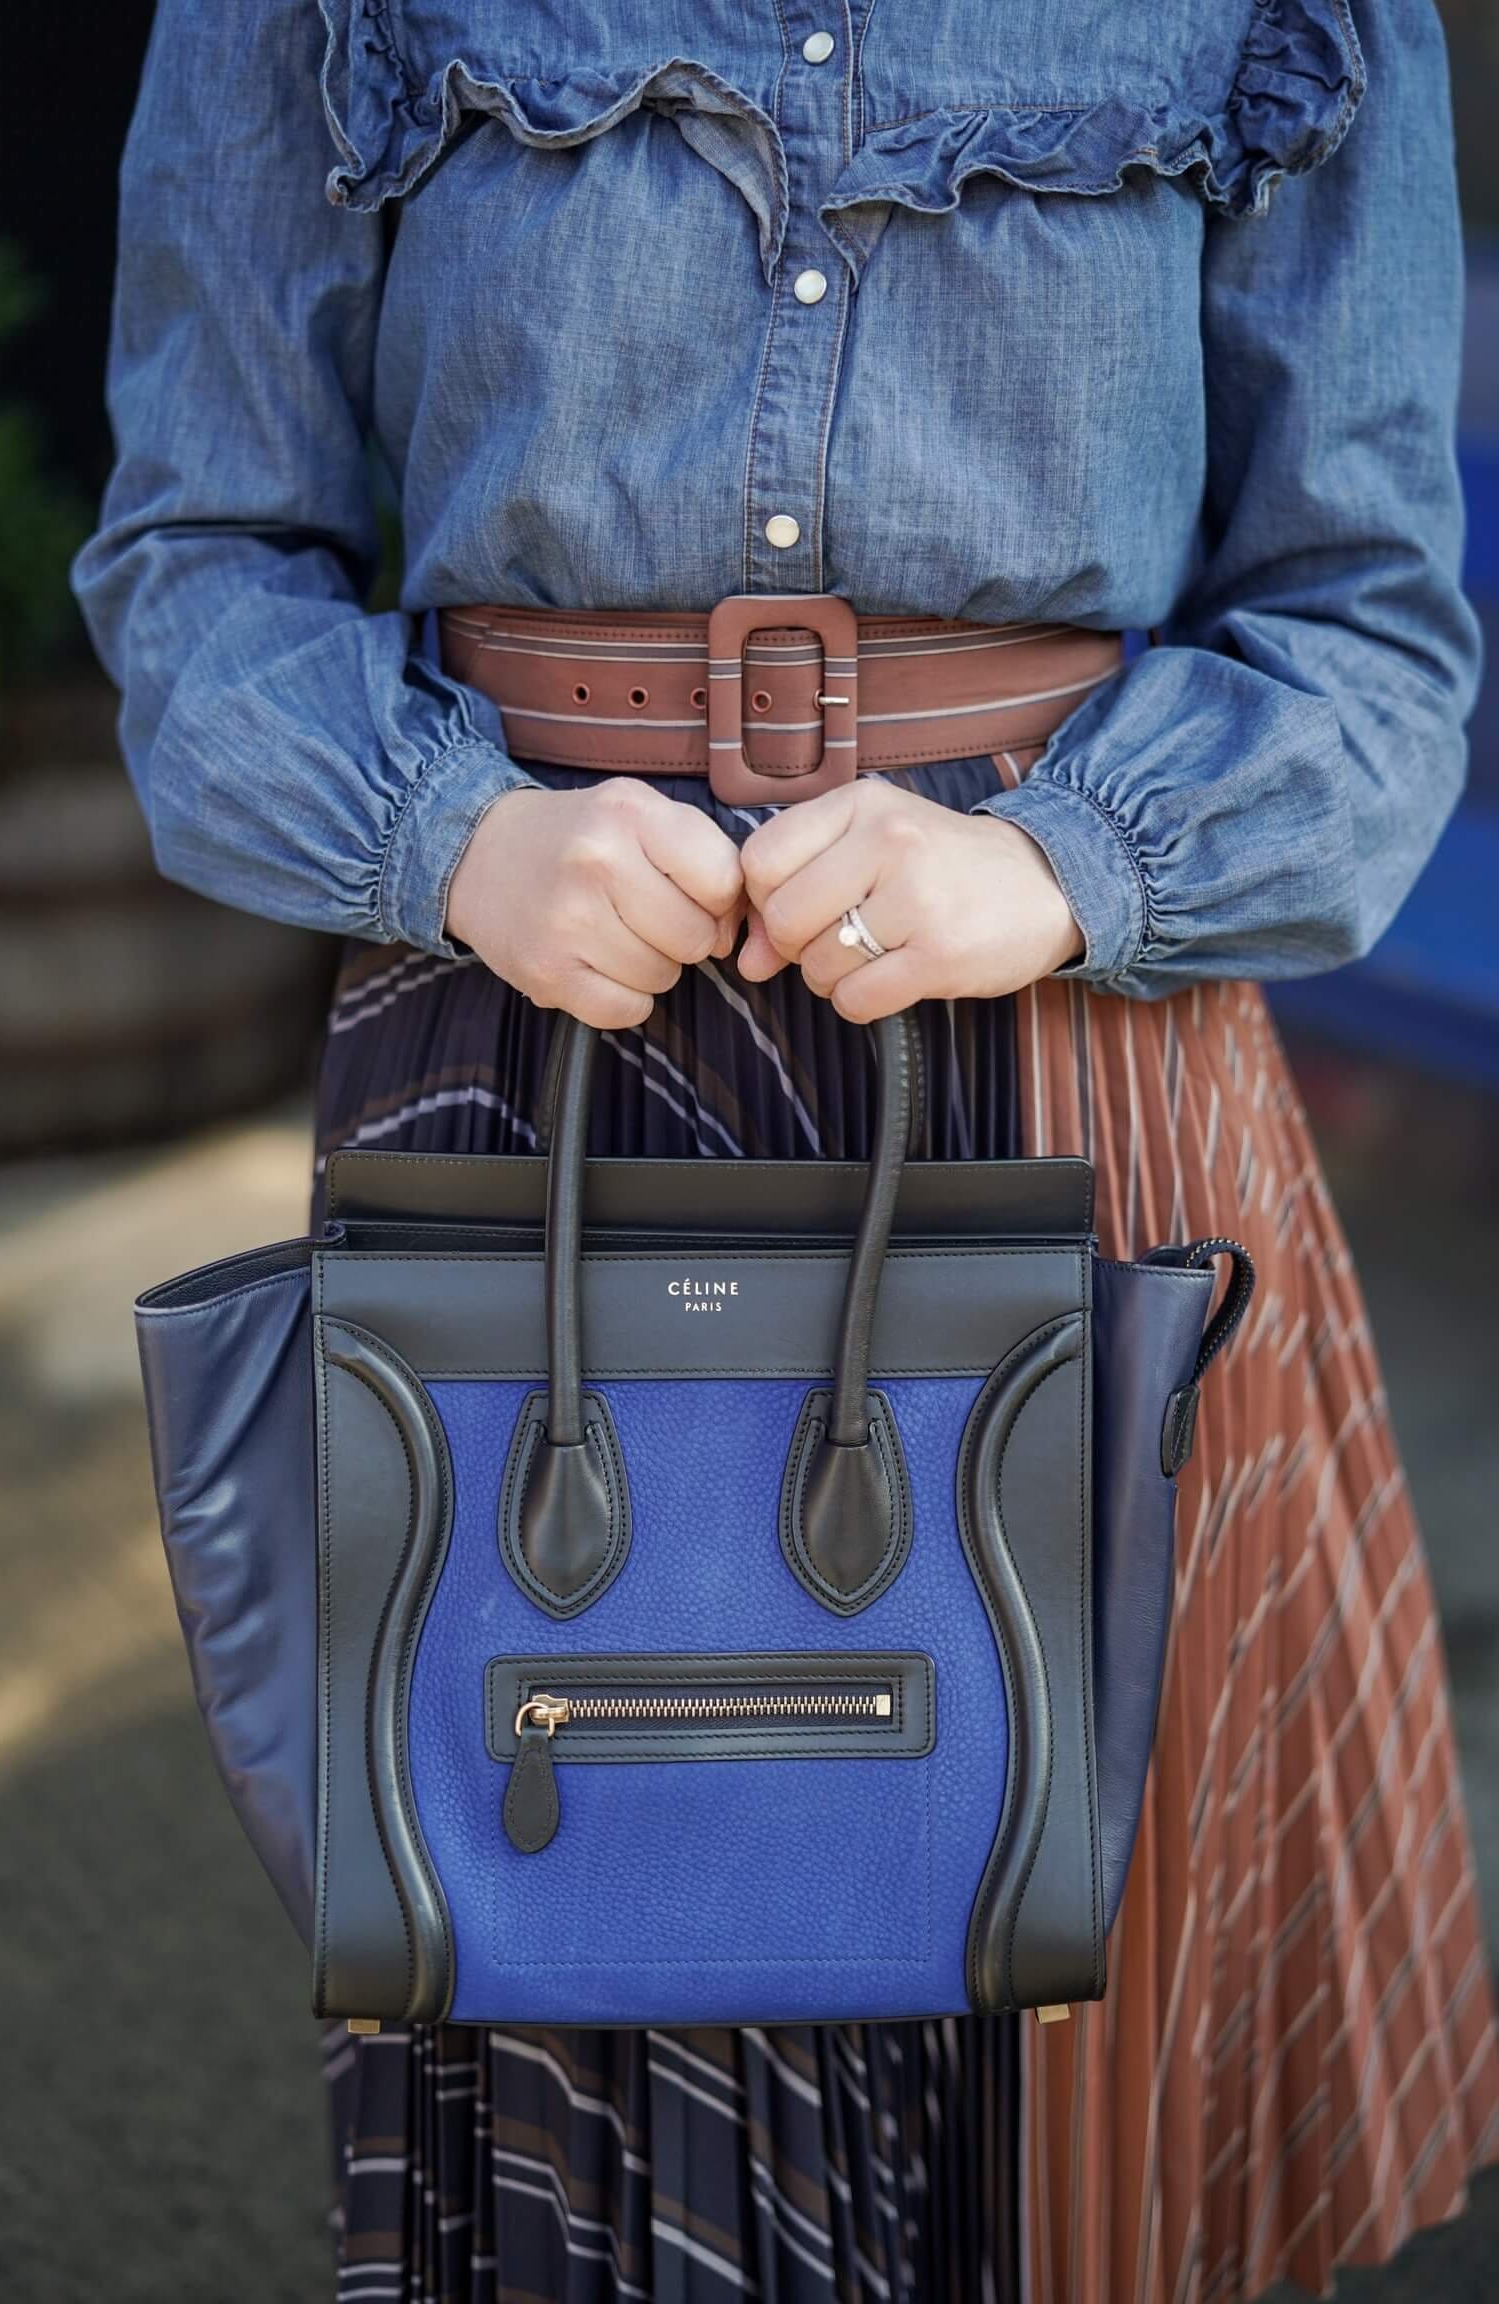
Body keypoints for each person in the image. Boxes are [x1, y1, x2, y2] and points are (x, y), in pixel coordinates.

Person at [74, 2, 1498, 2297]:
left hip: (1062, 1074)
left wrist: (1065, 866)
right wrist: (448, 837)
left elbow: (1371, 629)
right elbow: (198, 564)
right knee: (587, 1931)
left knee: (1049, 1970)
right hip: (534, 1067)